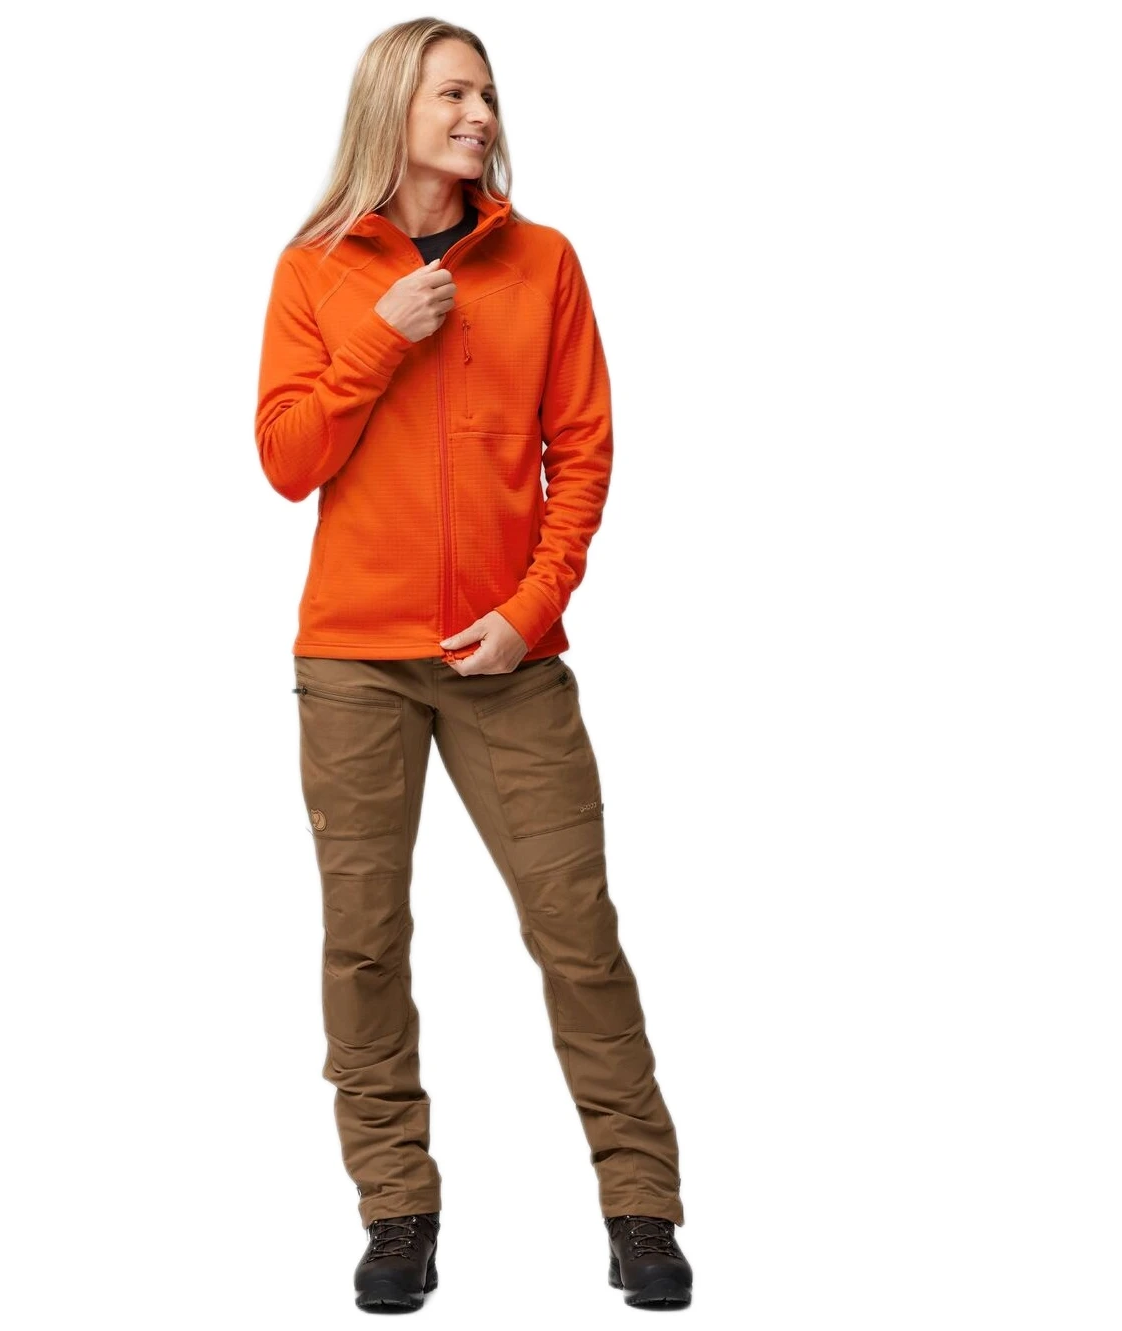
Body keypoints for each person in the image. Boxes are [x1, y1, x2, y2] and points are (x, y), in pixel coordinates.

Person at [255, 19, 693, 1312]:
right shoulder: (315, 269)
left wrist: (529, 608)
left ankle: (641, 1205)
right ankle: (396, 1210)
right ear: (392, 105)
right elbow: (286, 460)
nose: (479, 116)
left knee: (579, 937)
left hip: (510, 658)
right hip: (356, 663)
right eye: (454, 93)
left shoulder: (543, 263)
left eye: (488, 95)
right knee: (363, 947)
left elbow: (583, 453)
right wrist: (381, 335)